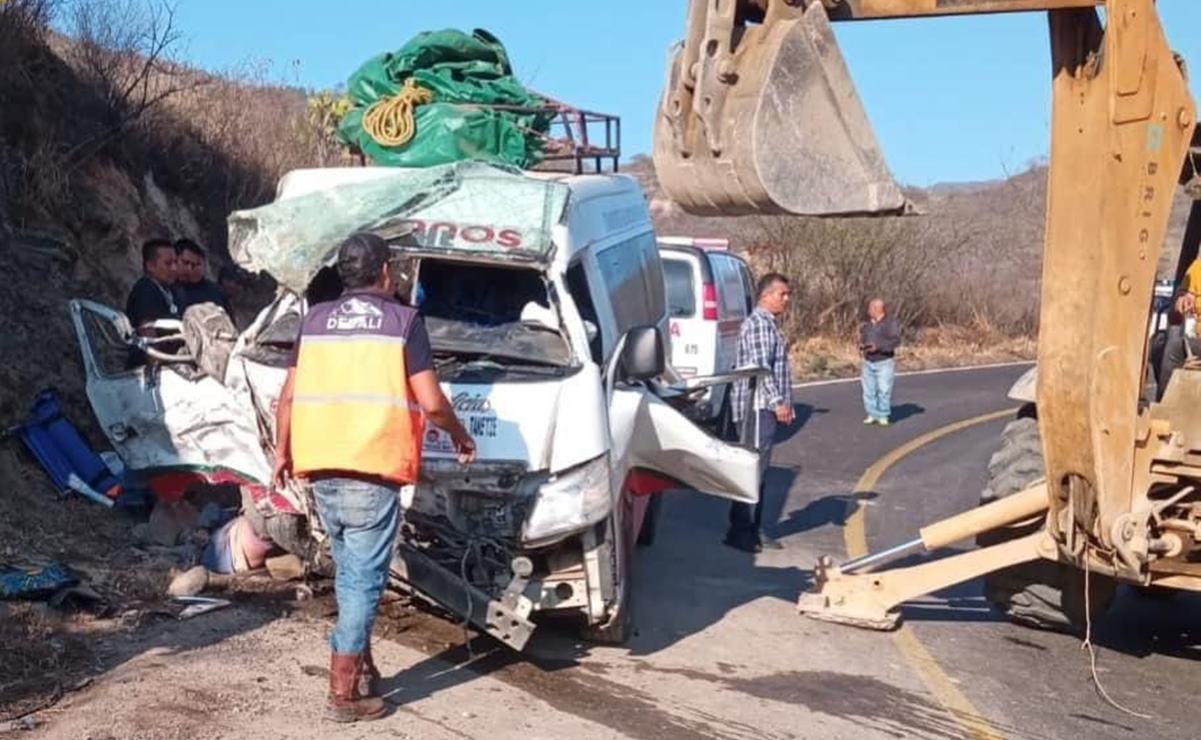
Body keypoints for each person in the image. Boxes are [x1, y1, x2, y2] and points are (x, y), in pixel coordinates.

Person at [272, 232, 476, 724]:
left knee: (349, 573)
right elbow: (430, 401)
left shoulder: (315, 320)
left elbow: (289, 397)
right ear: (385, 272)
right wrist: (460, 435)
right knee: (363, 582)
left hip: (321, 466)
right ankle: (343, 694)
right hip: (372, 466)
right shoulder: (403, 322)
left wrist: (282, 451)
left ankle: (361, 669)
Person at [725, 272, 794, 554]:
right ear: (766, 295)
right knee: (751, 470)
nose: (786, 300)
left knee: (760, 471)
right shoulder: (759, 325)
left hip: (763, 406)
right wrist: (778, 402)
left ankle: (755, 528)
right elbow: (760, 368)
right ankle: (740, 530)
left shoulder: (768, 325)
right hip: (756, 407)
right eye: (782, 294)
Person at [125, 238, 180, 336]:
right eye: (168, 263)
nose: (174, 268)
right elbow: (148, 334)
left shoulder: (172, 288)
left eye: (175, 262)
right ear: (150, 266)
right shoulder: (145, 290)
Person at [860, 298, 900, 426]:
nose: (868, 310)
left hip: (884, 361)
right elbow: (863, 338)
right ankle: (872, 413)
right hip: (868, 361)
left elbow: (895, 341)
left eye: (870, 308)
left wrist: (879, 346)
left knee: (884, 389)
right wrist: (864, 346)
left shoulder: (890, 323)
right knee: (868, 390)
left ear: (877, 309)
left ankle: (883, 414)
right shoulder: (867, 325)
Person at [173, 238, 233, 319]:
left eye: (196, 265)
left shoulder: (215, 292)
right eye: (185, 263)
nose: (190, 269)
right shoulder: (165, 289)